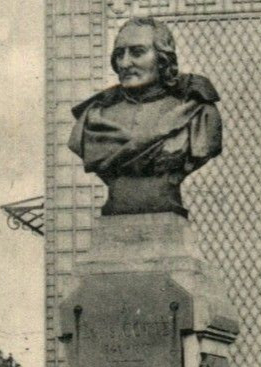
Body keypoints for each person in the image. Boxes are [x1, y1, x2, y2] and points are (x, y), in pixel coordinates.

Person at [68, 17, 222, 217]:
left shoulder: (197, 113)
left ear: (163, 59)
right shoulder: (93, 116)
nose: (124, 63)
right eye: (119, 54)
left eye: (137, 52)